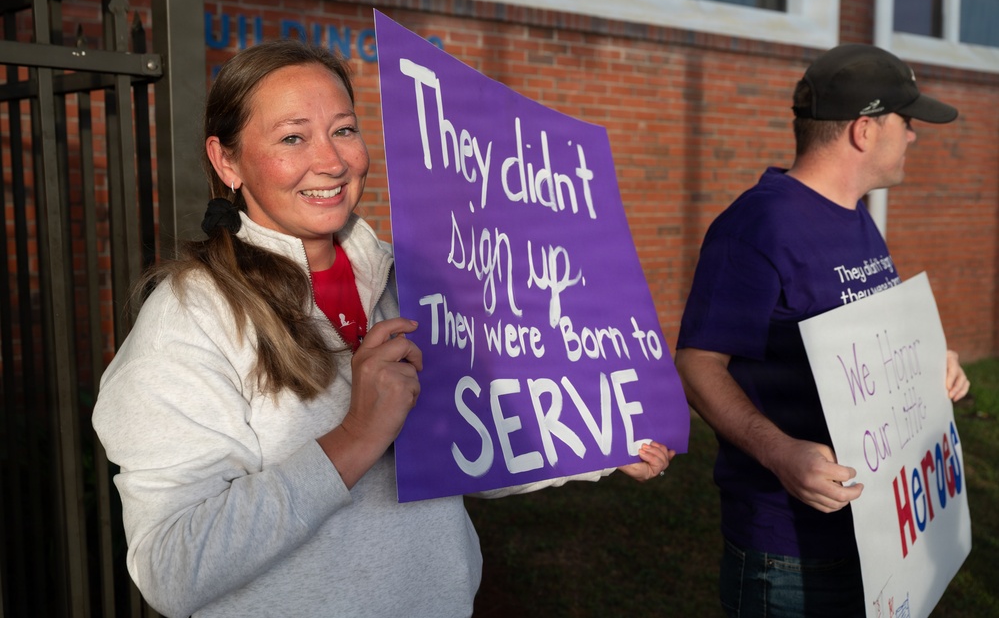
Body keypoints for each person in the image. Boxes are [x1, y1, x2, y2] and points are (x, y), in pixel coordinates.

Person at [92, 39, 674, 618]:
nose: (332, 161)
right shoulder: (191, 316)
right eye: (293, 137)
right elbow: (171, 566)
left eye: (343, 130)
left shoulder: (415, 282)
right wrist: (357, 437)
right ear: (227, 161)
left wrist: (599, 441)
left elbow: (468, 447)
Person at [674, 44, 971, 617]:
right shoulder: (758, 225)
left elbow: (870, 339)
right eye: (906, 122)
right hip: (790, 553)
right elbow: (697, 363)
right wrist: (780, 451)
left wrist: (930, 360)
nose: (913, 136)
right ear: (865, 130)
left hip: (877, 538)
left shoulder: (856, 216)